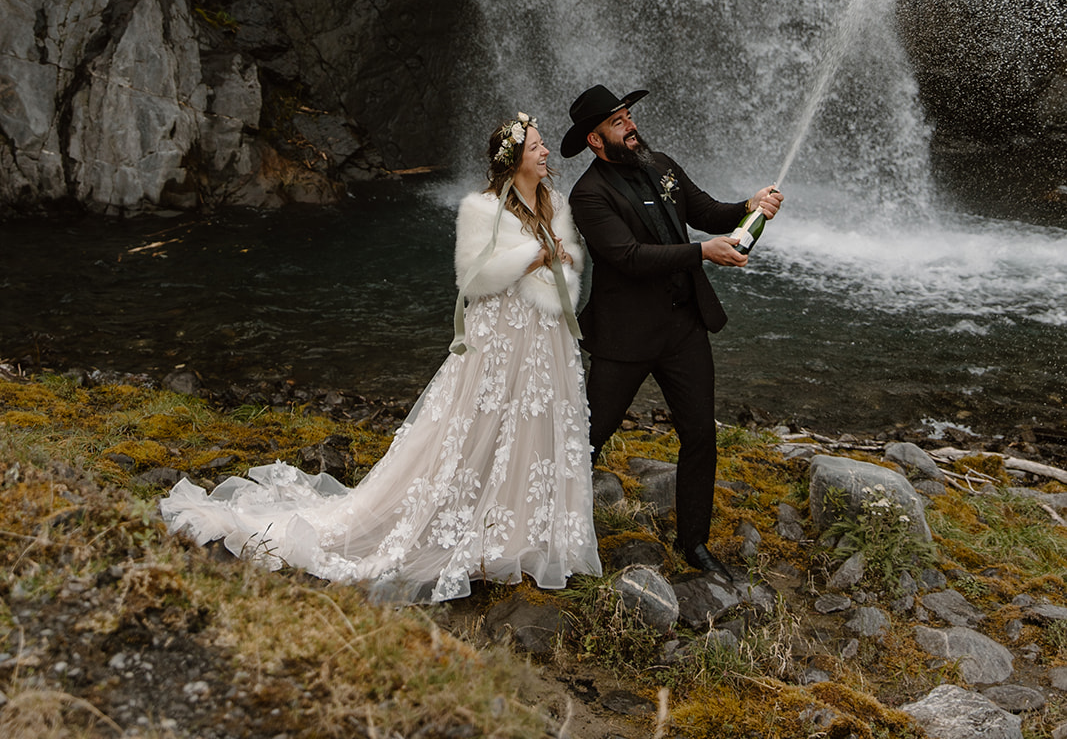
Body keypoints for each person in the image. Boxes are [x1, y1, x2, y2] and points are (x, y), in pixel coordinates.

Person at [161, 115, 601, 601]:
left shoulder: (553, 201)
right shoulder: (481, 208)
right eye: (536, 147)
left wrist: (561, 258)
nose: (545, 154)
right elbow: (472, 279)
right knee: (476, 427)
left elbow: (571, 259)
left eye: (541, 147)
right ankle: (476, 526)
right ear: (513, 160)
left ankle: (529, 532)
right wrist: (530, 259)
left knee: (535, 425)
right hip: (498, 336)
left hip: (544, 334)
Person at [562, 83, 781, 574]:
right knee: (590, 437)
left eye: (628, 117)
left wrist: (749, 206)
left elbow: (706, 213)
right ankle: (552, 527)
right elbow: (629, 258)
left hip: (684, 326)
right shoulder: (588, 194)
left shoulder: (660, 163)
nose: (631, 127)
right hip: (625, 338)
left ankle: (694, 544)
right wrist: (705, 251)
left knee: (700, 433)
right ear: (595, 140)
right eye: (617, 123)